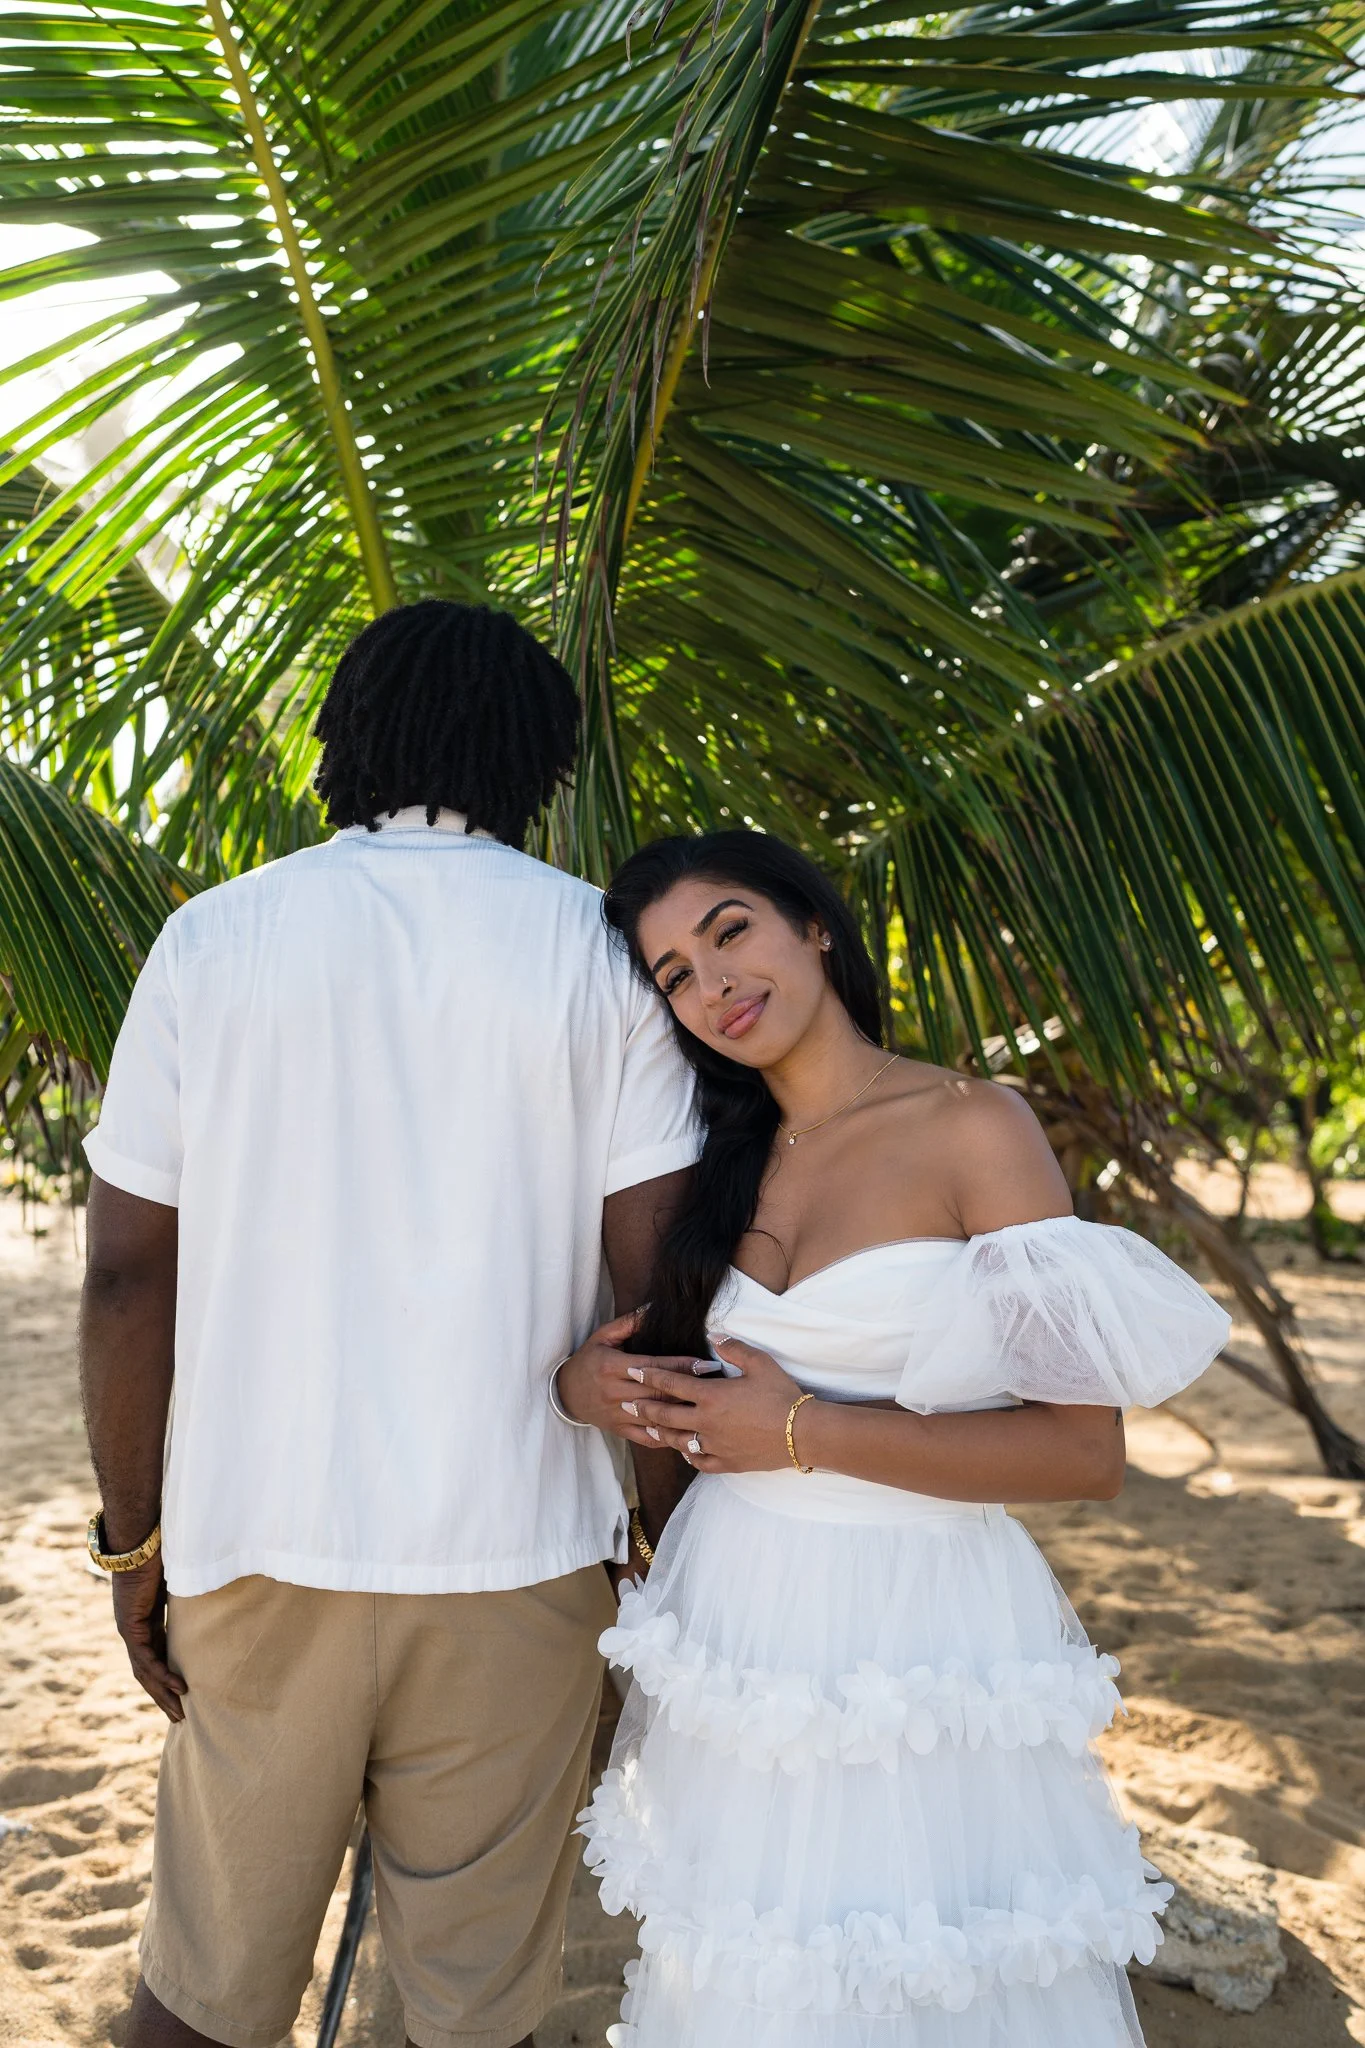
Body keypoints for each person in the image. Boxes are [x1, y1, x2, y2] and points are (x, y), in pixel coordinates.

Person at [78, 601, 701, 2048]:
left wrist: (135, 1543)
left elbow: (122, 1279)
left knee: (200, 1995)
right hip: (523, 1559)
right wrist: (662, 1540)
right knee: (471, 2012)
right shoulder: (602, 956)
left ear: (342, 743)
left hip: (258, 1547)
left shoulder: (209, 942)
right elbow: (659, 1289)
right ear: (540, 762)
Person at [566, 829, 1230, 2048]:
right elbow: (675, 1381)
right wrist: (581, 1386)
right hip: (741, 1626)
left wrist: (805, 1428)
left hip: (916, 1640)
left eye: (730, 932)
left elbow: (1083, 1453)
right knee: (757, 1979)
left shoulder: (974, 1125)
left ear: (814, 924)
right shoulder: (726, 1159)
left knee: (918, 1972)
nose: (711, 985)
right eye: (671, 974)